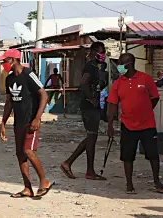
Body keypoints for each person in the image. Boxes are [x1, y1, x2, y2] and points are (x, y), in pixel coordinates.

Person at [107, 53, 163, 194]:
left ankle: (157, 182)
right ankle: (129, 184)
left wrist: (145, 110)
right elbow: (112, 104)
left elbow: (155, 98)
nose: (120, 67)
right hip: (127, 125)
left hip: (147, 125)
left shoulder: (145, 79)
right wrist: (110, 124)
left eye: (122, 64)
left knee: (153, 154)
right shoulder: (118, 83)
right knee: (128, 156)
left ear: (131, 63)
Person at [0, 49, 55, 198]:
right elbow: (9, 102)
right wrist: (3, 122)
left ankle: (44, 181)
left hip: (31, 121)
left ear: (13, 60)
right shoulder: (9, 79)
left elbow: (44, 94)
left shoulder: (29, 74)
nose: (3, 64)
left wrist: (37, 118)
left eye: (5, 60)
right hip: (19, 122)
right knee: (20, 154)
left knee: (28, 151)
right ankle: (27, 188)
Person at [60, 41, 108, 180]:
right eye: (100, 51)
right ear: (93, 52)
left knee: (91, 137)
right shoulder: (90, 66)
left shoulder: (98, 67)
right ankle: (76, 165)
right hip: (89, 106)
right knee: (91, 137)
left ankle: (77, 166)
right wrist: (91, 98)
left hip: (94, 105)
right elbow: (83, 83)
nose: (103, 54)